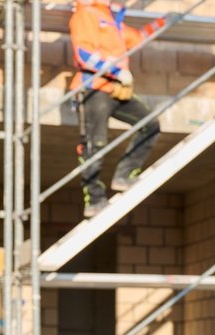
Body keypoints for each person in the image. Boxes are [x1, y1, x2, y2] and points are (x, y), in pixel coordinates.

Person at [68, 1, 165, 218]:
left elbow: (138, 38)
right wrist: (114, 71)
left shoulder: (112, 21)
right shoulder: (87, 14)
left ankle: (124, 175)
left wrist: (163, 22)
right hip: (94, 88)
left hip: (115, 90)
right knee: (95, 144)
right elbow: (83, 53)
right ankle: (94, 199)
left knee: (149, 124)